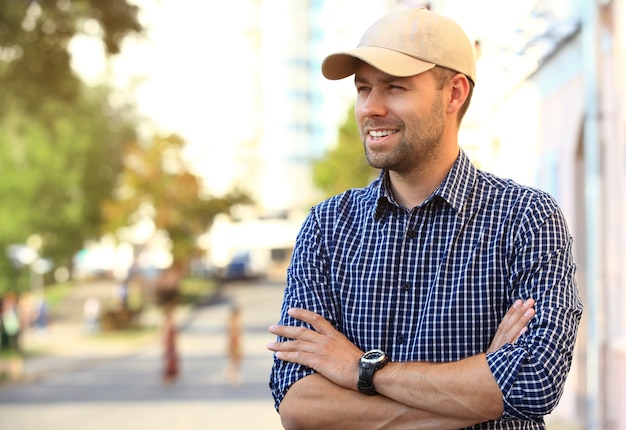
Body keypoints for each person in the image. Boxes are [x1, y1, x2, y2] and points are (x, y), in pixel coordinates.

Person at [267, 7, 583, 429]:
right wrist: (479, 388)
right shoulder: (327, 227)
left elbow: (532, 381)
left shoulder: (526, 219)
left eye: (394, 87)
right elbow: (299, 405)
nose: (370, 108)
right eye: (363, 89)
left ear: (454, 94)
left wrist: (362, 370)